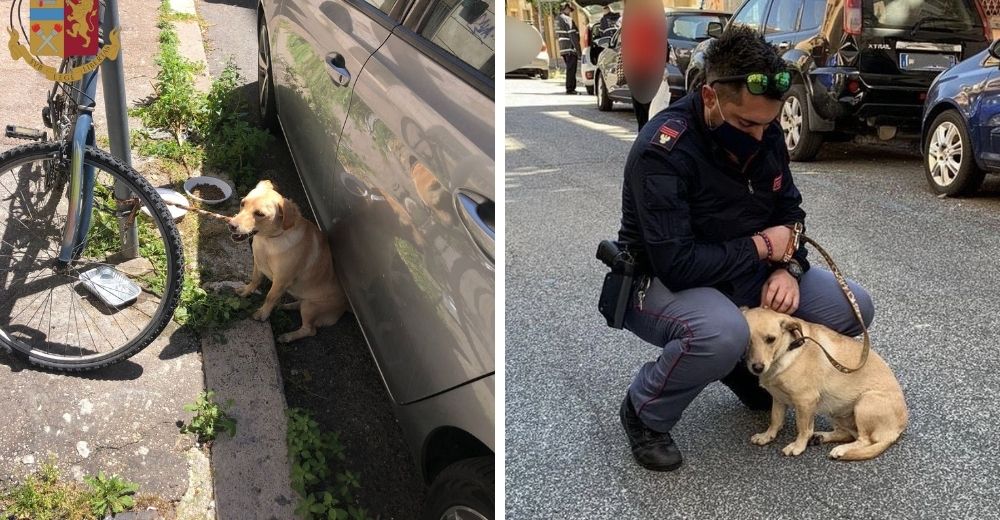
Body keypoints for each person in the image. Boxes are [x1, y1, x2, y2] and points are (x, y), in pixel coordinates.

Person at [614, 25, 875, 472]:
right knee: (721, 331)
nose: (759, 136)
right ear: (711, 97)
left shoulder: (764, 130)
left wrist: (789, 269)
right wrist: (760, 247)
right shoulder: (663, 152)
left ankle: (745, 367)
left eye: (767, 124)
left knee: (853, 306)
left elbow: (791, 214)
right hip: (659, 280)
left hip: (748, 272)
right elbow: (676, 264)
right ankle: (645, 410)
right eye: (746, 123)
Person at [556, 2, 581, 95]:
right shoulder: (567, 19)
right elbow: (573, 35)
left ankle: (569, 87)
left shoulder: (557, 19)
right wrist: (579, 51)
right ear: (565, 8)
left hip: (563, 48)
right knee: (571, 69)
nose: (570, 11)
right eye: (569, 9)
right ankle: (570, 89)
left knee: (569, 68)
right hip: (570, 48)